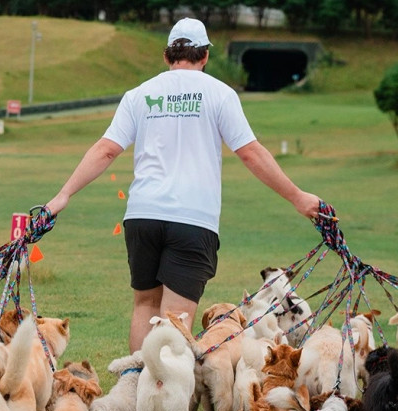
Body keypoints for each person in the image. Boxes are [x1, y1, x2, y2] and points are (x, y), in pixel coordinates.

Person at [45, 17, 322, 353]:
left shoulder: (139, 94)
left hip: (142, 216)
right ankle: (164, 395)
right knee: (174, 317)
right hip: (192, 219)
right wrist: (297, 197)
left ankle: (137, 391)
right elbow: (251, 154)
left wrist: (63, 194)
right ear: (204, 56)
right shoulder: (220, 94)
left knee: (145, 307)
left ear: (167, 57)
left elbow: (106, 150)